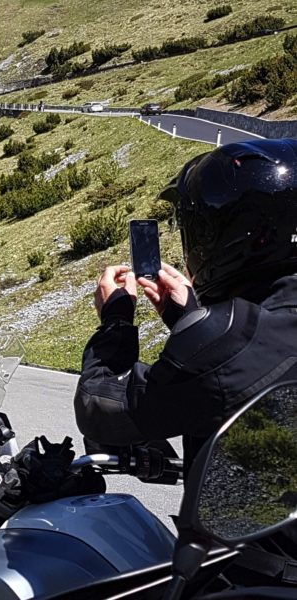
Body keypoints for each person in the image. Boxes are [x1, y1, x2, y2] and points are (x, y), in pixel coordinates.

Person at [74, 138, 297, 587]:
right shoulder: (259, 327)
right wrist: (188, 318)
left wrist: (115, 320)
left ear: (240, 235)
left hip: (254, 578)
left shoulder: (235, 338)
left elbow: (103, 407)